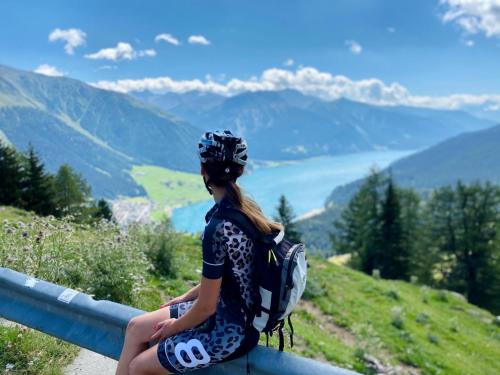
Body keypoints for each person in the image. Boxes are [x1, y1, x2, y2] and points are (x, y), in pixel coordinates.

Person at [116, 129, 283, 374]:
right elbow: (230, 275)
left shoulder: (217, 227)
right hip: (228, 311)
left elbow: (205, 308)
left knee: (139, 367)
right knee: (135, 327)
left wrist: (173, 327)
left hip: (230, 331)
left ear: (202, 170)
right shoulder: (245, 209)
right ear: (241, 170)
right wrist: (185, 298)